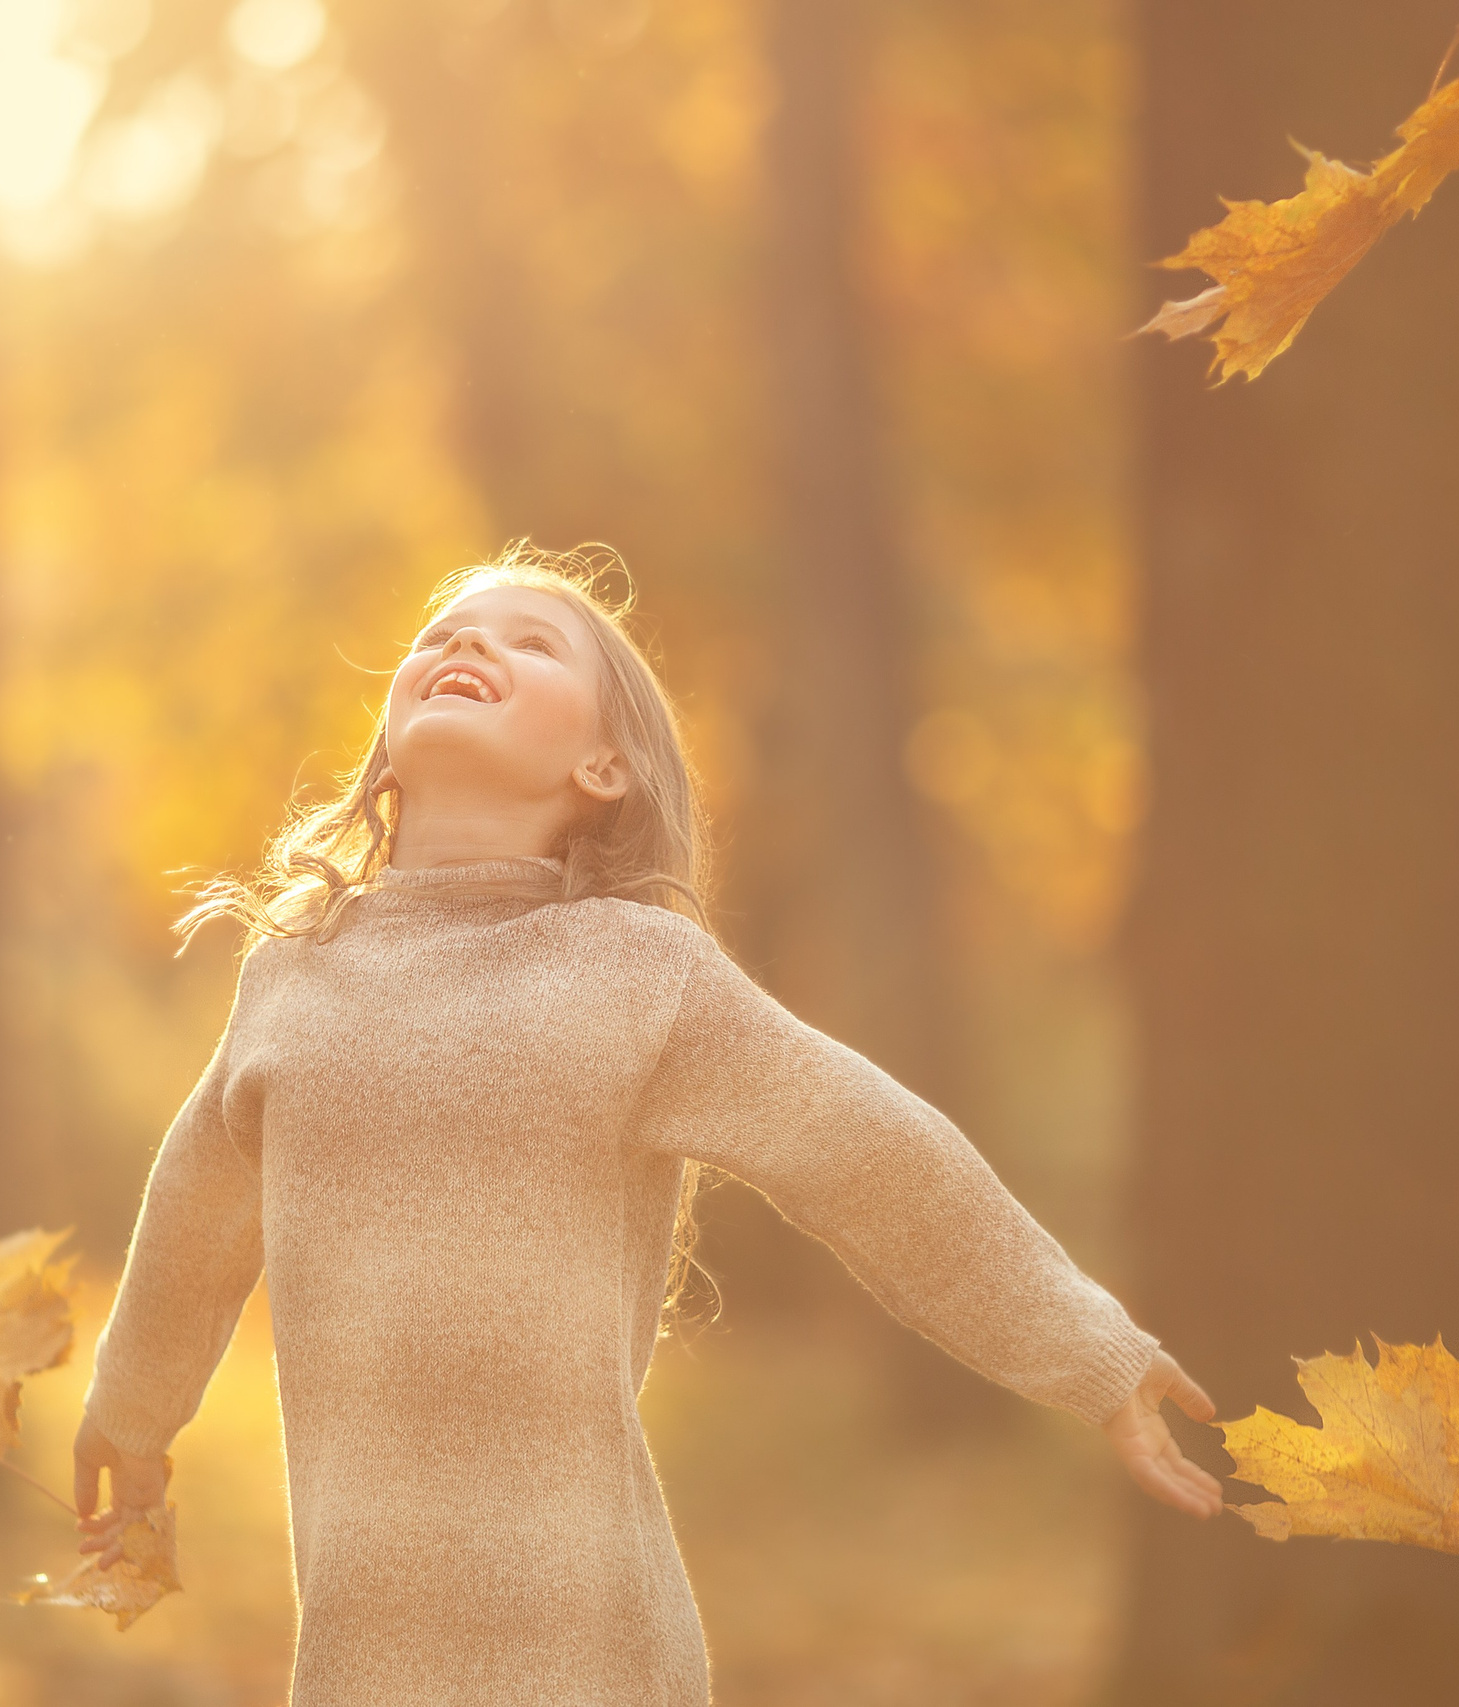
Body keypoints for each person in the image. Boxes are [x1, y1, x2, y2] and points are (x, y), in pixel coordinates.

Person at [73, 545, 1220, 1704]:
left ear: (604, 767)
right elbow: (193, 1216)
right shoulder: (296, 977)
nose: (467, 644)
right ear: (387, 740)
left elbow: (872, 1153)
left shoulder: (636, 969)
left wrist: (1089, 1351)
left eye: (532, 642)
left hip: (589, 1648)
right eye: (445, 633)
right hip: (363, 1657)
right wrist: (131, 1411)